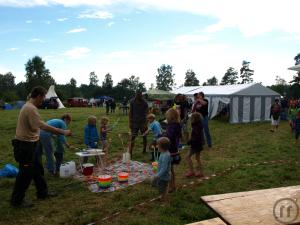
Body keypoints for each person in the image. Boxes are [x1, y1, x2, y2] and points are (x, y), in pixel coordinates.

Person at [11, 86, 71, 208]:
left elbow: (36, 126)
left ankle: (42, 193)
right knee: (25, 173)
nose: (43, 100)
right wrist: (62, 132)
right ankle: (17, 201)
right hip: (25, 145)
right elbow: (41, 126)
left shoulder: (29, 105)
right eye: (43, 97)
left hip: (33, 143)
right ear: (38, 96)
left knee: (37, 170)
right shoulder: (30, 108)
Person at [165, 108, 182, 193]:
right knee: (170, 169)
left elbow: (169, 136)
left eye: (167, 116)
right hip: (173, 149)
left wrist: (162, 136)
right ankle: (173, 186)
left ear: (170, 117)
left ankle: (172, 187)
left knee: (169, 170)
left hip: (171, 150)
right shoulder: (176, 125)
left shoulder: (173, 126)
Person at [129, 91, 149, 157]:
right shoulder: (132, 101)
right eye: (137, 95)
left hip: (143, 122)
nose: (138, 96)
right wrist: (130, 122)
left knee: (144, 136)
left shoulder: (145, 102)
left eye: (140, 95)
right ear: (135, 95)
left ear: (141, 95)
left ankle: (144, 149)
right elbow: (130, 112)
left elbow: (147, 113)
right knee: (133, 137)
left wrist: (146, 123)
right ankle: (130, 151)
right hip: (134, 122)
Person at [151, 137, 171, 202]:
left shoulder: (166, 155)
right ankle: (162, 197)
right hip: (161, 176)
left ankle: (165, 201)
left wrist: (157, 175)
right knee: (162, 189)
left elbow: (164, 168)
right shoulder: (163, 153)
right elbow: (162, 164)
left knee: (164, 190)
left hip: (164, 177)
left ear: (161, 147)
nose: (157, 146)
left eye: (158, 145)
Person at [185, 112, 205, 177]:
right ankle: (200, 172)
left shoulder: (196, 127)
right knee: (197, 158)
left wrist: (189, 141)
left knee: (187, 157)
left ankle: (191, 171)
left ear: (194, 119)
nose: (190, 119)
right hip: (198, 144)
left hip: (195, 144)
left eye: (191, 118)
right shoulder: (197, 125)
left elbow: (196, 137)